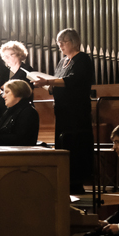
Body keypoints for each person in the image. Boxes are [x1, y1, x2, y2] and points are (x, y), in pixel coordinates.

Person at [32, 28, 95, 194]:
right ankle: (65, 181)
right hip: (62, 110)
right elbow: (57, 83)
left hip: (76, 112)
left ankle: (76, 183)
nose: (60, 45)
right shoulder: (62, 62)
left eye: (64, 42)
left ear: (74, 42)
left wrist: (50, 81)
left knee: (75, 145)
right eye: (59, 42)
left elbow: (74, 80)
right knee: (63, 144)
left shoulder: (82, 59)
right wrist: (47, 84)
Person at [0, 80, 39, 146]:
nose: (3, 96)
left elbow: (20, 140)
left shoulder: (28, 112)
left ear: (18, 93)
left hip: (19, 154)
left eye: (7, 92)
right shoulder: (9, 111)